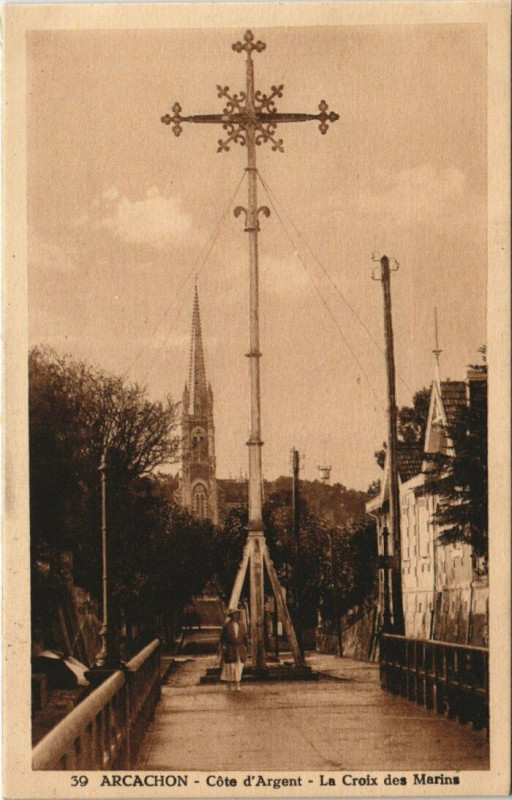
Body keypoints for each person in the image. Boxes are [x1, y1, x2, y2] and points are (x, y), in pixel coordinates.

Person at [220, 608, 248, 691]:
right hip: (230, 649)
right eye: (234, 614)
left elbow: (245, 637)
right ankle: (229, 685)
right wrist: (223, 647)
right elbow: (222, 638)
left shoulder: (242, 625)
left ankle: (238, 685)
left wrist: (246, 647)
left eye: (237, 614)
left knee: (239, 667)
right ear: (231, 616)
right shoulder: (226, 626)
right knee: (230, 667)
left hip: (239, 649)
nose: (236, 616)